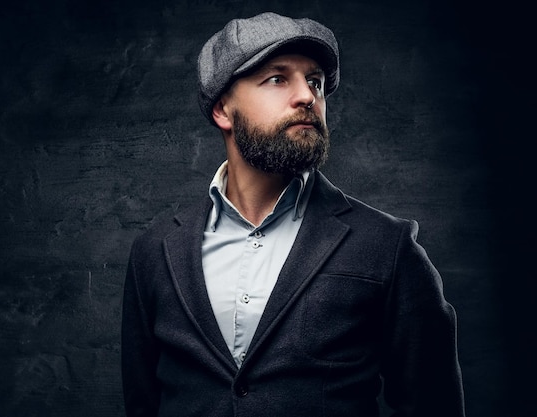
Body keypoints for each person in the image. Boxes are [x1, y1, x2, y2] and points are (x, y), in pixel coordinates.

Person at [121, 12, 465, 417]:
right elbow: (142, 403)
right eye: (278, 78)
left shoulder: (388, 247)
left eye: (315, 82)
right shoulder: (156, 252)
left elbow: (433, 404)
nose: (307, 96)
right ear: (223, 111)